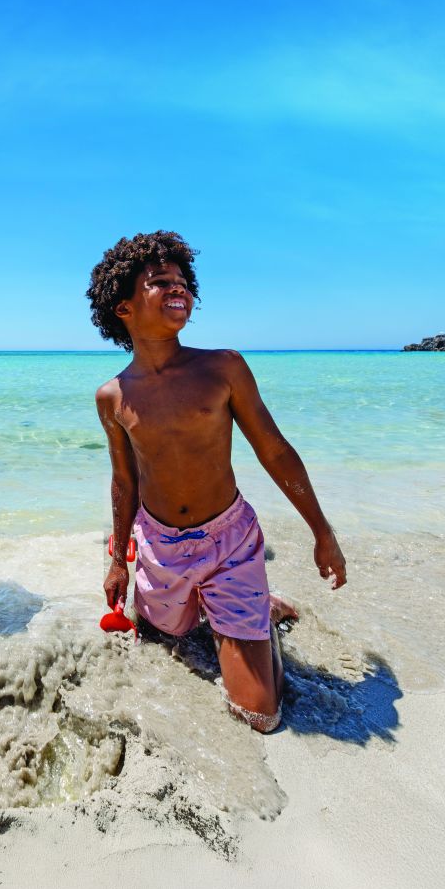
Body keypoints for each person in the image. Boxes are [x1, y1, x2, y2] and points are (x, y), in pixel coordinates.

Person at [90, 230, 347, 732]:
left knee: (259, 714)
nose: (178, 288)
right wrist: (119, 560)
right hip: (160, 545)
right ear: (123, 308)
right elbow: (124, 482)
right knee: (167, 635)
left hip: (229, 540)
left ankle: (259, 616)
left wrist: (323, 532)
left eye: (183, 281)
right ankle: (221, 610)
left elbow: (275, 451)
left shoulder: (222, 368)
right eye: (160, 281)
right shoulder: (112, 396)